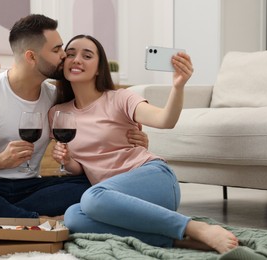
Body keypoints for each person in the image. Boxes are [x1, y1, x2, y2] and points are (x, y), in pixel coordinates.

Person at [0, 14, 148, 235]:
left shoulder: (54, 97)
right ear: (32, 57)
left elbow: (94, 129)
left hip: (29, 188)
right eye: (56, 50)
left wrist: (130, 137)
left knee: (90, 184)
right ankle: (34, 221)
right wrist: (1, 160)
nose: (64, 56)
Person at [49, 34, 239, 254]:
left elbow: (164, 120)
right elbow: (82, 166)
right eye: (70, 54)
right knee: (73, 216)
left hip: (152, 179)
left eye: (87, 55)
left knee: (91, 198)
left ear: (100, 68)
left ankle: (194, 227)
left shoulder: (120, 98)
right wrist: (68, 160)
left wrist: (177, 87)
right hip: (113, 199)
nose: (76, 59)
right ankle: (176, 240)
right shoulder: (57, 113)